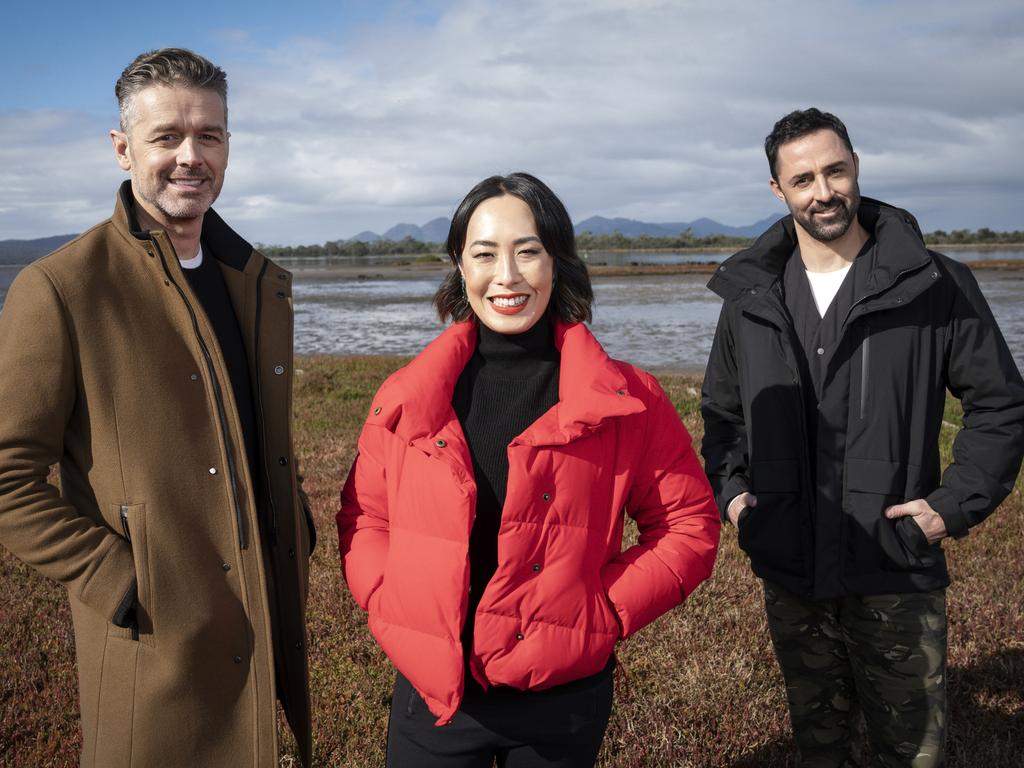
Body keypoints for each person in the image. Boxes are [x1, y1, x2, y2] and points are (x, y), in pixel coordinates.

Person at [337, 172, 720, 767]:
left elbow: (689, 526)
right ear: (460, 268)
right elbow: (366, 516)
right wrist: (389, 598)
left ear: (557, 263)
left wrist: (605, 611)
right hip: (434, 694)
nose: (507, 276)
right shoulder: (409, 395)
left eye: (528, 251)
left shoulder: (627, 398)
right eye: (484, 254)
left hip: (562, 701)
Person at [0, 48, 315, 767]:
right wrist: (119, 579)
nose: (189, 156)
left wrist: (293, 521)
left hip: (259, 619)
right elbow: (7, 478)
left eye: (209, 135)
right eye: (165, 137)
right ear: (122, 149)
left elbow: (257, 436)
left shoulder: (256, 282)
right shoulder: (60, 289)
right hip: (152, 650)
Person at [701, 107, 1024, 766]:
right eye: (803, 179)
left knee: (911, 752)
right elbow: (721, 414)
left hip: (896, 569)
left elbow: (1000, 405)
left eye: (835, 170)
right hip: (791, 571)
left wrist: (949, 508)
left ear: (856, 167)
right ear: (778, 191)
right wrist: (734, 500)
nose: (823, 191)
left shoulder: (935, 284)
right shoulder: (751, 297)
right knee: (819, 747)